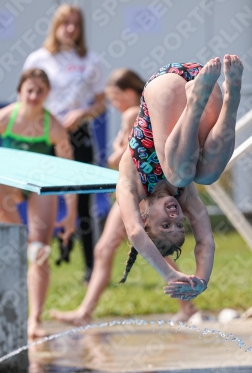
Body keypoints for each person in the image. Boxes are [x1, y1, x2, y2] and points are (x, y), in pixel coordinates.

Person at [50, 68, 197, 326]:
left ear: (129, 93)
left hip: (136, 191)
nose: (113, 103)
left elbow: (117, 158)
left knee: (113, 248)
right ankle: (187, 306)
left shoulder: (132, 115)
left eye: (115, 97)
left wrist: (118, 149)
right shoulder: (143, 113)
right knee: (119, 249)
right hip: (142, 188)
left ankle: (86, 312)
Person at [117, 56, 243, 301]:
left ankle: (195, 101)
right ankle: (232, 98)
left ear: (146, 219)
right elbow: (205, 241)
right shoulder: (183, 197)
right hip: (201, 80)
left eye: (165, 225)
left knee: (180, 175)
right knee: (207, 176)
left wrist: (169, 275)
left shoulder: (130, 185)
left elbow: (133, 233)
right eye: (178, 226)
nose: (175, 218)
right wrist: (202, 280)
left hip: (165, 86)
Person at [23, 4, 106, 284]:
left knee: (82, 200)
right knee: (42, 198)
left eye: (76, 24)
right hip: (46, 134)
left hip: (78, 134)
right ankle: (41, 261)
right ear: (55, 26)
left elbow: (101, 102)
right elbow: (27, 98)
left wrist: (83, 112)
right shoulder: (39, 58)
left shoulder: (90, 60)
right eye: (65, 23)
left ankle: (91, 268)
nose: (70, 29)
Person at [0, 68, 76, 338]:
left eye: (40, 91)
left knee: (39, 251)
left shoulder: (53, 127)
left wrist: (71, 215)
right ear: (20, 91)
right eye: (29, 90)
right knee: (14, 247)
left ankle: (34, 319)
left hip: (38, 185)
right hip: (7, 185)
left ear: (47, 94)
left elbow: (70, 174)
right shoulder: (5, 118)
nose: (33, 96)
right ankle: (11, 316)